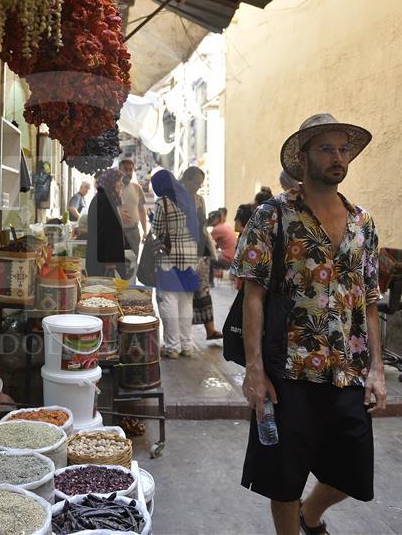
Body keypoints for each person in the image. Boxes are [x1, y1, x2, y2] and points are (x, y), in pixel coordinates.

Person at [231, 113, 384, 535]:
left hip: (347, 370)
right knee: (283, 475)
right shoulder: (273, 216)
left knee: (353, 469)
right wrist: (255, 369)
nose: (338, 157)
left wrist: (376, 369)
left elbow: (369, 300)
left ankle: (310, 514)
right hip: (289, 368)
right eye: (326, 149)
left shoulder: (362, 223)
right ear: (303, 156)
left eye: (343, 149)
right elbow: (253, 295)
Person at [150, 170, 200, 358]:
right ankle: (186, 344)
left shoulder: (162, 202)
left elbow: (157, 230)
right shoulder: (188, 198)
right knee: (186, 301)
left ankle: (172, 347)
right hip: (190, 256)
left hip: (168, 258)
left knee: (169, 300)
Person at [179, 166, 223, 340]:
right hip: (183, 251)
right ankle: (184, 335)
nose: (197, 186)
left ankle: (210, 329)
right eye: (195, 182)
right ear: (186, 180)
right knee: (185, 293)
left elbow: (202, 226)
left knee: (202, 289)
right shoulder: (176, 198)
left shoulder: (200, 200)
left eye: (200, 183)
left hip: (201, 250)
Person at [86, 169, 127, 278]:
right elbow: (105, 233)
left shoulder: (106, 198)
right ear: (110, 182)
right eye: (119, 181)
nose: (122, 184)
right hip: (103, 263)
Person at [117, 159, 148, 259]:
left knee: (132, 266)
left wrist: (145, 231)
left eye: (131, 170)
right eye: (125, 169)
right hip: (117, 232)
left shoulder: (137, 188)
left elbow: (142, 210)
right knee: (118, 267)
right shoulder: (113, 188)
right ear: (119, 170)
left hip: (133, 233)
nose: (128, 172)